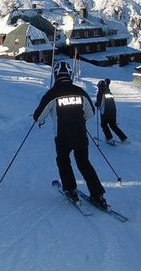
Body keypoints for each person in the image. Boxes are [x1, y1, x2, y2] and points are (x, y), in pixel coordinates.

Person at [33, 61, 108, 209]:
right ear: (70, 75)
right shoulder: (80, 92)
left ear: (55, 75)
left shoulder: (52, 94)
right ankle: (98, 195)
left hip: (62, 136)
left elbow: (38, 117)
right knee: (84, 163)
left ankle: (70, 189)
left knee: (63, 160)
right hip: (80, 134)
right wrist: (79, 119)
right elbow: (91, 113)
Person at [95, 79, 130, 145]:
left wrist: (96, 104)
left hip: (105, 112)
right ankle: (124, 138)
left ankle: (109, 138)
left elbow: (99, 103)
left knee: (104, 124)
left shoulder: (100, 93)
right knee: (113, 125)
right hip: (113, 111)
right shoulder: (108, 92)